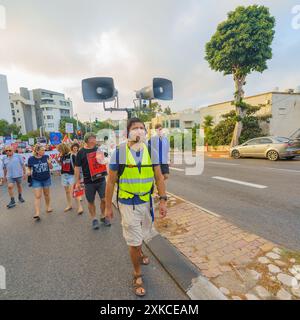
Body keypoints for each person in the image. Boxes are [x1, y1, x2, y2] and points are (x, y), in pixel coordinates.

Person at [105, 118, 168, 297]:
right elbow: (110, 181)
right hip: (127, 203)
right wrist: (108, 207)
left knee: (144, 232)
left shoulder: (150, 150)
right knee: (134, 240)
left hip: (147, 202)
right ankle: (137, 274)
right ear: (127, 133)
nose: (139, 131)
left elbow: (159, 177)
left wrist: (163, 200)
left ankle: (140, 252)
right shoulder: (120, 152)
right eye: (135, 128)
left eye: (142, 128)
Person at [74, 133, 109, 230]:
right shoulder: (81, 153)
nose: (94, 140)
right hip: (89, 182)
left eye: (94, 138)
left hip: (101, 179)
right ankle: (94, 219)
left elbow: (107, 158)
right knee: (91, 201)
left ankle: (102, 216)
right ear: (87, 140)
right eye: (92, 138)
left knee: (104, 199)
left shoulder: (99, 149)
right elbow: (77, 168)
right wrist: (77, 182)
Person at [27, 145, 53, 221]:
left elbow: (51, 168)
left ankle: (48, 206)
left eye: (44, 150)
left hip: (46, 178)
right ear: (37, 151)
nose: (44, 151)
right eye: (42, 150)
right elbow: (29, 167)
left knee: (46, 194)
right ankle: (37, 213)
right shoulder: (31, 159)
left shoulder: (46, 157)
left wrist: (49, 163)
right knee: (38, 196)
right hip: (36, 179)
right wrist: (28, 171)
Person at [57, 143, 83, 214]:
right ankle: (69, 205)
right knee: (67, 192)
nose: (59, 152)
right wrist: (57, 160)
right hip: (64, 175)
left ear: (63, 149)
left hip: (71, 176)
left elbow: (76, 167)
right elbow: (62, 164)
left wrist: (77, 177)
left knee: (74, 191)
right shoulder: (62, 156)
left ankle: (80, 207)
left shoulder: (72, 155)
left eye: (60, 150)